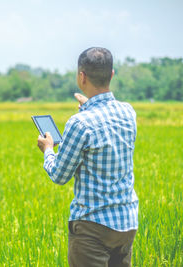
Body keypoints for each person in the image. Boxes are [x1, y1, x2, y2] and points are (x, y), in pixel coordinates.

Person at [37, 47, 138, 267]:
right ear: (111, 75)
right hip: (126, 222)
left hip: (93, 226)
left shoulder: (80, 123)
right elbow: (104, 130)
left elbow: (59, 175)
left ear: (81, 77)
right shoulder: (128, 112)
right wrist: (88, 108)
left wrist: (48, 149)